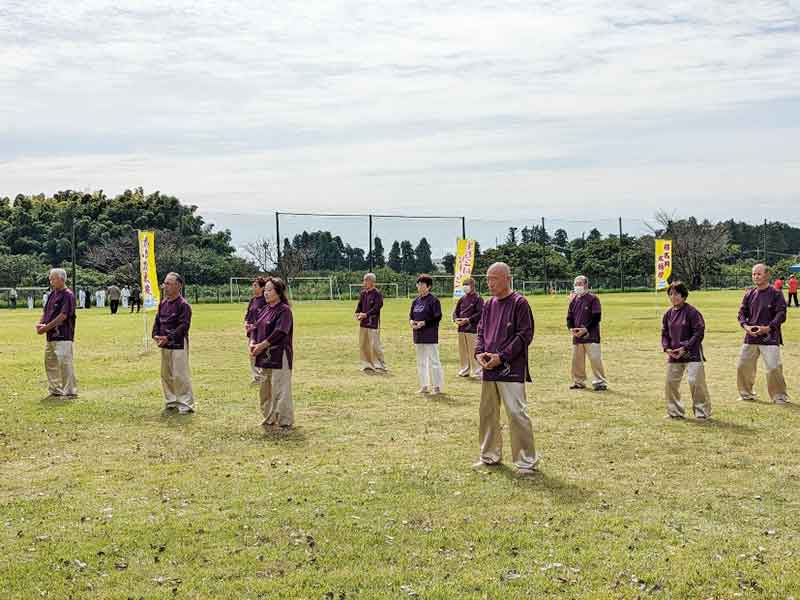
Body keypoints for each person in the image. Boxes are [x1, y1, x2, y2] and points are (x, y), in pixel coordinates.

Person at [473, 262, 539, 476]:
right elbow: (481, 330)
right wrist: (479, 352)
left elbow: (524, 335)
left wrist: (502, 357)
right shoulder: (488, 304)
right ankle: (489, 455)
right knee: (488, 413)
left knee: (516, 413)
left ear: (507, 279)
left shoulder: (520, 303)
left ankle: (526, 461)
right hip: (488, 367)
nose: (489, 283)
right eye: (488, 278)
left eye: (494, 278)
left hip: (511, 368)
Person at [737, 263, 789, 404]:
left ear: (767, 275)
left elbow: (781, 314)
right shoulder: (749, 294)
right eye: (754, 274)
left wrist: (769, 328)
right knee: (742, 365)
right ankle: (746, 393)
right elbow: (742, 313)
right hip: (751, 336)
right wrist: (746, 326)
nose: (756, 276)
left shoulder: (776, 294)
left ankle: (779, 396)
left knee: (773, 367)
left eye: (759, 274)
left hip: (770, 337)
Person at [250, 277, 294, 429]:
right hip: (264, 355)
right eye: (265, 290)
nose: (266, 293)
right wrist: (253, 343)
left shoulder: (284, 310)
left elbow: (280, 332)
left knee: (280, 388)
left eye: (269, 290)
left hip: (279, 354)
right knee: (265, 389)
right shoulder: (264, 309)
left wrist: (262, 345)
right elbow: (255, 328)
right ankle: (269, 417)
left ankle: (285, 420)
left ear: (278, 292)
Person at [661, 281, 710, 419]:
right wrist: (667, 348)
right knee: (670, 383)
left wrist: (686, 347)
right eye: (670, 294)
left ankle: (702, 412)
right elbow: (664, 334)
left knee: (695, 382)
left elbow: (699, 332)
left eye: (676, 294)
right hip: (674, 355)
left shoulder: (692, 312)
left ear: (683, 295)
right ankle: (675, 412)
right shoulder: (668, 314)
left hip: (692, 353)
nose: (673, 297)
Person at [152, 272, 195, 414]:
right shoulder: (163, 303)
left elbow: (184, 326)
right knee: (166, 374)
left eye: (169, 284)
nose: (166, 286)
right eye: (165, 283)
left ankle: (185, 403)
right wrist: (155, 335)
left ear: (178, 286)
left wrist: (168, 337)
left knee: (180, 374)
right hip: (164, 343)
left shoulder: (184, 305)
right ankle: (171, 400)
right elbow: (158, 320)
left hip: (178, 344)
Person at [35, 268, 78, 398]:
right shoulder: (52, 294)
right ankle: (55, 389)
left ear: (61, 279)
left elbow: (63, 316)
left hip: (63, 335)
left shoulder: (68, 295)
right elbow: (46, 311)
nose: (50, 281)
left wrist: (46, 328)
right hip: (50, 336)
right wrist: (40, 323)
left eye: (53, 278)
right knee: (50, 362)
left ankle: (69, 391)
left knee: (65, 363)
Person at [566, 275, 608, 391]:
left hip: (591, 335)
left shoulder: (593, 299)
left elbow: (596, 317)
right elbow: (569, 317)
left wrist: (586, 329)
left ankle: (600, 382)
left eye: (580, 284)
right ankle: (578, 381)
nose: (577, 286)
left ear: (586, 285)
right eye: (576, 284)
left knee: (595, 359)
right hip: (577, 337)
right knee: (577, 361)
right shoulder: (573, 300)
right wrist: (571, 329)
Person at [409, 274, 443, 394]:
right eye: (418, 284)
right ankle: (424, 385)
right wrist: (412, 322)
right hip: (418, 335)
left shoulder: (434, 300)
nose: (419, 286)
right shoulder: (416, 301)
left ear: (428, 287)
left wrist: (424, 323)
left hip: (430, 334)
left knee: (434, 361)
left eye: (422, 284)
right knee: (421, 361)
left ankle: (437, 386)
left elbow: (437, 317)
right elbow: (411, 316)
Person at [355, 272, 386, 373]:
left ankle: (380, 365)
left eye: (365, 280)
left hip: (373, 323)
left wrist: (366, 314)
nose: (364, 282)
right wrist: (357, 313)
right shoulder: (363, 293)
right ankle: (367, 364)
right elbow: (359, 305)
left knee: (375, 345)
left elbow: (377, 307)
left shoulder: (377, 294)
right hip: (363, 323)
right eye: (364, 280)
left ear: (371, 281)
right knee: (364, 344)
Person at [453, 277, 483, 378]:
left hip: (472, 329)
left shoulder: (478, 298)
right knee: (463, 350)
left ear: (472, 286)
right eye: (464, 284)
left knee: (473, 350)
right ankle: (464, 369)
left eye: (467, 285)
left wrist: (468, 320)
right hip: (461, 329)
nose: (465, 287)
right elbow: (456, 312)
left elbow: (480, 313)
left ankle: (477, 371)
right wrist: (456, 319)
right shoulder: (462, 299)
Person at [244, 277, 268, 383]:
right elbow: (248, 313)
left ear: (262, 288)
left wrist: (256, 325)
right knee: (252, 353)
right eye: (253, 285)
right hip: (252, 332)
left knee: (262, 353)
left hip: (262, 331)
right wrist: (246, 323)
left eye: (256, 285)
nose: (253, 287)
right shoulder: (253, 300)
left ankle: (264, 375)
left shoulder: (265, 300)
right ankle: (256, 376)